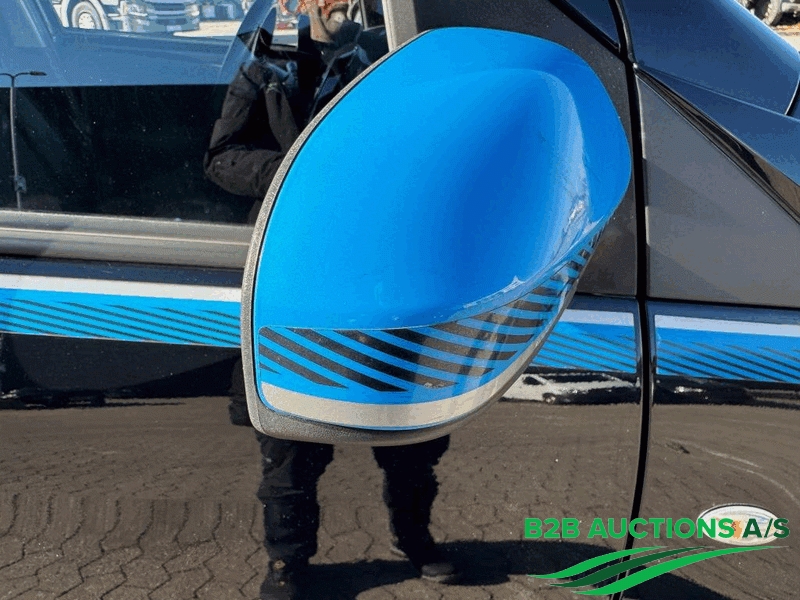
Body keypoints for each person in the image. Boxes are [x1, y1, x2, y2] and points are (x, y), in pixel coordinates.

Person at [204, 2, 457, 598]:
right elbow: (220, 159)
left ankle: (414, 538)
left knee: (408, 425)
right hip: (295, 269)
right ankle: (287, 562)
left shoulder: (389, 60)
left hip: (383, 272)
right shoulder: (264, 69)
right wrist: (301, 169)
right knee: (289, 439)